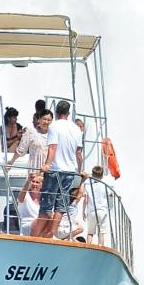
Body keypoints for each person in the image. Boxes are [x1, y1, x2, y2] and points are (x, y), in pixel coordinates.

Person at [34, 100, 85, 239]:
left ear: (56, 112)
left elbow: (53, 147)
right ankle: (51, 233)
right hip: (70, 171)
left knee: (46, 204)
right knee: (61, 205)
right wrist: (79, 171)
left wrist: (47, 165)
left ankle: (36, 237)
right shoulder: (76, 129)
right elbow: (79, 153)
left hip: (55, 170)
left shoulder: (54, 126)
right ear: (68, 113)